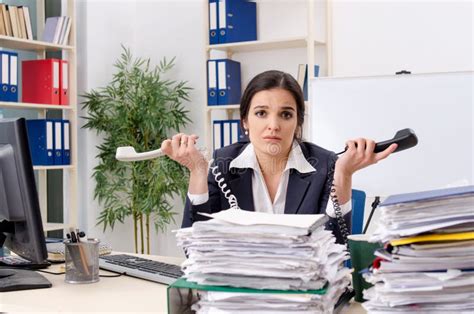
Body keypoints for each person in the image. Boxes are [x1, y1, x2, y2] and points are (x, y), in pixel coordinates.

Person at [161, 70, 397, 243]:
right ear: (245, 121)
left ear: (297, 123)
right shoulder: (221, 164)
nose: (273, 125)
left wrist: (343, 174)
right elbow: (193, 249)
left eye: (285, 114)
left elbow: (337, 248)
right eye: (261, 113)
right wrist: (198, 172)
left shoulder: (325, 164)